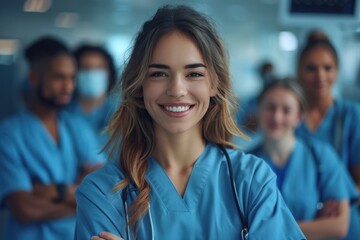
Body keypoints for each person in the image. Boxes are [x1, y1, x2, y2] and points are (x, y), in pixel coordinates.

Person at [75, 5, 305, 240]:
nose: (176, 90)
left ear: (214, 83)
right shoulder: (102, 193)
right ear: (140, 84)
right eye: (159, 74)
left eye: (194, 74)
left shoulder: (251, 181)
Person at [0, 36, 104, 240]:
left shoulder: (77, 126)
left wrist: (60, 192)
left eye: (72, 78)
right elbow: (25, 209)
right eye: (58, 77)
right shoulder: (9, 135)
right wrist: (81, 200)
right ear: (33, 78)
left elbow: (102, 191)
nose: (68, 87)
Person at [249, 79, 358, 239]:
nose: (277, 117)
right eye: (270, 108)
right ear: (259, 110)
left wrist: (267, 230)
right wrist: (314, 225)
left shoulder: (321, 155)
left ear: (299, 116)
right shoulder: (245, 163)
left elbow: (339, 225)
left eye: (286, 110)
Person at [295, 31, 360, 239]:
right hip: (298, 222)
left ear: (337, 71)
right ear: (298, 71)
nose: (320, 76)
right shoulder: (287, 117)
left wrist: (337, 204)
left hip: (342, 224)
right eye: (311, 68)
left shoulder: (350, 116)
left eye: (328, 68)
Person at [68, 44, 117, 146]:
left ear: (109, 73)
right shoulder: (62, 113)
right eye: (85, 68)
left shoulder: (120, 112)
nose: (92, 73)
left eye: (99, 68)